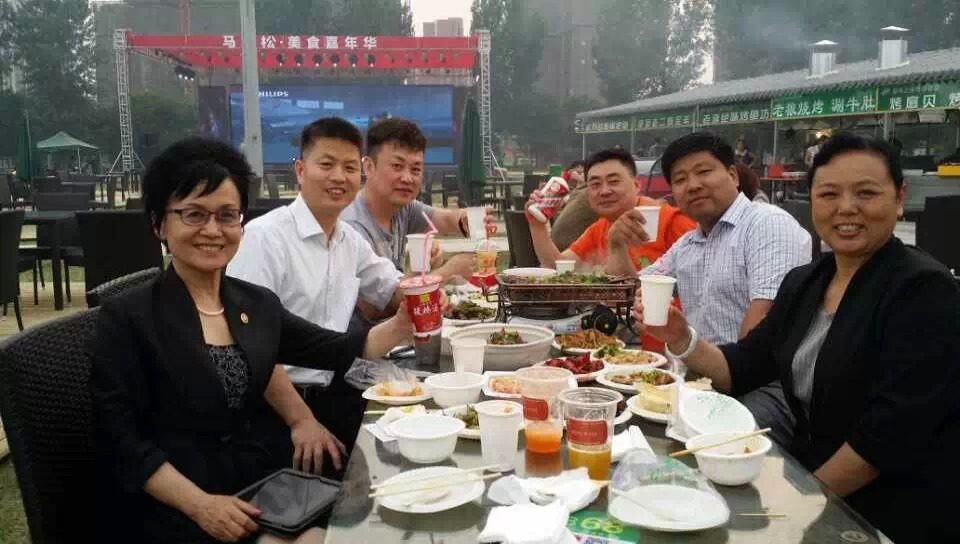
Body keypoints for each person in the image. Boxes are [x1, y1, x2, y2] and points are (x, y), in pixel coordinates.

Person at [632, 132, 960, 543]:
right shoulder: (807, 282)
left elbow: (888, 436)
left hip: (887, 513)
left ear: (899, 198)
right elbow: (742, 367)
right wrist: (681, 337)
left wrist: (799, 504)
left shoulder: (923, 289)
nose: (846, 208)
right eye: (829, 194)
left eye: (866, 193)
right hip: (815, 481)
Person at [90, 138, 414, 544]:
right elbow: (122, 443)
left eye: (227, 215)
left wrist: (403, 322)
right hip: (177, 506)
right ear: (159, 224)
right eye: (194, 214)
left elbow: (334, 350)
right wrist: (202, 506)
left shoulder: (254, 304)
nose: (212, 230)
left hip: (261, 488)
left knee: (377, 519)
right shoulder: (128, 318)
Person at [641, 132, 812, 445]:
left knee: (709, 441)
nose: (693, 185)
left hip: (764, 386)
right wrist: (618, 244)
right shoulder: (689, 243)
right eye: (680, 179)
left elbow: (762, 324)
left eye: (704, 172)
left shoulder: (766, 223)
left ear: (733, 175)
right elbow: (641, 288)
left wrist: (707, 384)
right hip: (700, 378)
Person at [340, 118, 495, 282]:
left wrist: (466, 220)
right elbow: (386, 297)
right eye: (397, 166)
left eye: (415, 169)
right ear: (369, 167)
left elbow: (445, 219)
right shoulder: (352, 228)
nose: (407, 178)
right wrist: (447, 272)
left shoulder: (403, 208)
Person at [528, 148, 695, 275]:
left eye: (614, 181)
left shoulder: (672, 221)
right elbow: (559, 266)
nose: (604, 191)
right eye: (595, 184)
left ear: (637, 185)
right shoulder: (600, 227)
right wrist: (537, 224)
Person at [551, 160, 598, 251]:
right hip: (563, 250)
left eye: (582, 173)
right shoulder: (573, 191)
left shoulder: (589, 194)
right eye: (577, 172)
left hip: (568, 250)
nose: (579, 175)